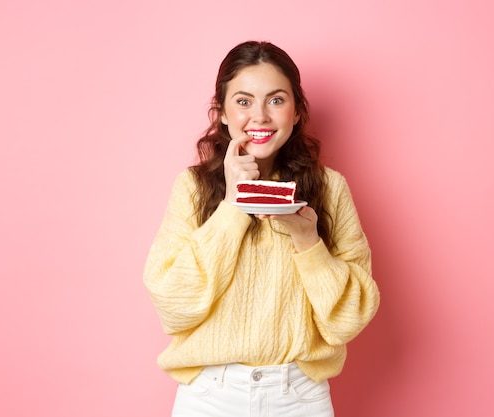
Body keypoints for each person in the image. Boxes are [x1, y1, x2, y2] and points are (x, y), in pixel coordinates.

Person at [143, 40, 380, 417]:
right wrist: (234, 204)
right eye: (242, 101)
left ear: (298, 111)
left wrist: (308, 241)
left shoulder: (329, 188)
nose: (260, 117)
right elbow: (175, 307)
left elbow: (347, 320)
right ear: (220, 112)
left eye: (276, 100)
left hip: (299, 397)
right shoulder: (193, 188)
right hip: (209, 396)